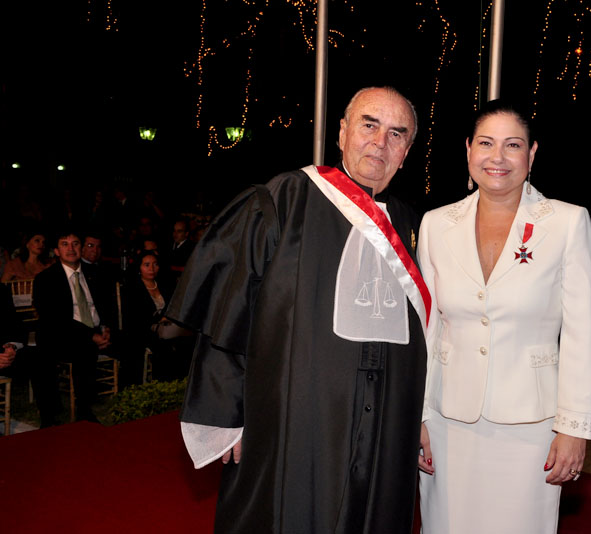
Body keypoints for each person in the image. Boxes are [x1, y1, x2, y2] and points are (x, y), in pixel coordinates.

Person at [166, 86, 429, 533]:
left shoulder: (410, 223)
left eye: (396, 133)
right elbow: (232, 307)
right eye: (369, 125)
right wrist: (225, 412)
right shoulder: (284, 198)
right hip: (295, 415)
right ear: (342, 133)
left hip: (387, 421)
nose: (380, 142)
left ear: (406, 152)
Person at [417, 100, 591, 533]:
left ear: (531, 154)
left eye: (512, 145)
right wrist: (419, 416)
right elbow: (427, 329)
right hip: (447, 421)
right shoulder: (435, 225)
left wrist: (574, 428)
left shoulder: (567, 223)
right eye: (486, 143)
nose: (497, 157)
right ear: (468, 149)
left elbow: (585, 333)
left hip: (531, 426)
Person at [33, 228, 117, 423]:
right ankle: (83, 410)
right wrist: (91, 336)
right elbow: (55, 319)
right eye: (65, 244)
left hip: (96, 329)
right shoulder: (45, 279)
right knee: (84, 348)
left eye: (75, 244)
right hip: (63, 334)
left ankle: (132, 395)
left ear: (82, 248)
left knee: (133, 340)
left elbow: (108, 306)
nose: (71, 249)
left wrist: (106, 328)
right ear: (56, 251)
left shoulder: (96, 274)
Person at [122, 252, 188, 383]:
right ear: (139, 267)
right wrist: (159, 320)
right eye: (147, 265)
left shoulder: (164, 285)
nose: (151, 269)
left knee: (186, 341)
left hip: (167, 326)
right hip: (142, 329)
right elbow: (134, 316)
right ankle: (162, 384)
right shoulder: (132, 287)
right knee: (164, 345)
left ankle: (181, 383)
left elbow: (174, 308)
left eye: (155, 264)